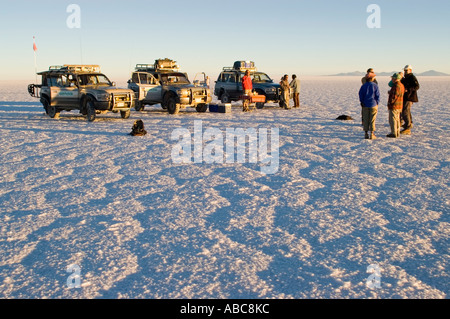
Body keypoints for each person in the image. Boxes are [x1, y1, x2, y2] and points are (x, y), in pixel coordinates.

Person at [400, 65, 420, 135]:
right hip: (406, 97)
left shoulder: (412, 77)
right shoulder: (406, 78)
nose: (405, 72)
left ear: (410, 70)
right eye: (404, 70)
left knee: (405, 111)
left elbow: (417, 86)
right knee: (406, 110)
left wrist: (408, 90)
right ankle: (408, 123)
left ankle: (407, 128)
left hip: (409, 97)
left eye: (406, 70)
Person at [387, 73, 405, 138]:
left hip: (394, 106)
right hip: (399, 105)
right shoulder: (401, 85)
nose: (392, 79)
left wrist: (390, 103)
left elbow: (394, 97)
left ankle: (394, 133)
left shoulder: (396, 86)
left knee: (393, 119)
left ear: (395, 79)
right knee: (397, 119)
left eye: (392, 78)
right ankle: (397, 132)